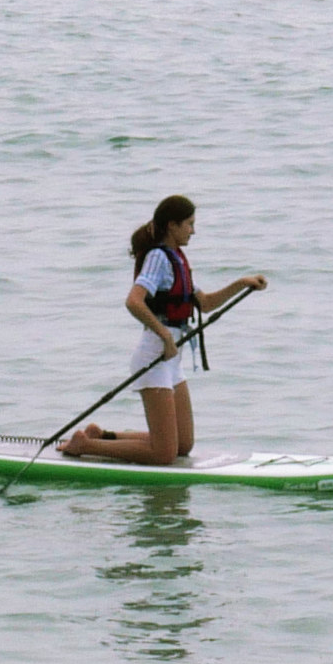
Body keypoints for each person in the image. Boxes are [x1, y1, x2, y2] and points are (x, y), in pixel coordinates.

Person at [57, 195, 267, 465]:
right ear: (172, 225)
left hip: (171, 359)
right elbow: (134, 301)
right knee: (164, 454)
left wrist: (243, 283)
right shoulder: (158, 257)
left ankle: (103, 435)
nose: (194, 230)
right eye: (189, 224)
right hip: (155, 356)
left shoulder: (178, 259)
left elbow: (205, 304)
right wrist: (165, 335)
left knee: (183, 445)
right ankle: (85, 445)